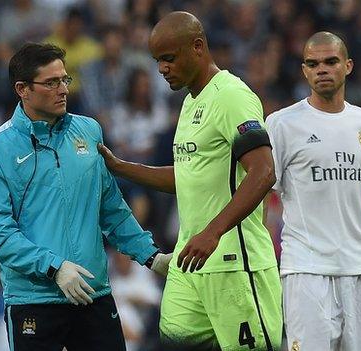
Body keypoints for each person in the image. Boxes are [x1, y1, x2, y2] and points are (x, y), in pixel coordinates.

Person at [98, 11, 282, 351]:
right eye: (157, 61)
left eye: (168, 58)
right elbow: (188, 177)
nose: (161, 69)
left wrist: (212, 232)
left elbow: (263, 171)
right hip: (190, 263)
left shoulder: (231, 96)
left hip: (234, 265)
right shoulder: (189, 103)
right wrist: (121, 167)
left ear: (197, 47)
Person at [0, 43, 171, 351]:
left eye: (65, 79)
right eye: (51, 82)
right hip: (33, 300)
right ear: (22, 89)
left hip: (94, 294)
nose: (62, 89)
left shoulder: (89, 131)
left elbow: (110, 207)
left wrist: (150, 255)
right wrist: (54, 267)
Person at [265, 31, 361, 350]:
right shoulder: (281, 124)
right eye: (313, 63)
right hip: (306, 269)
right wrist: (263, 265)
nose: (322, 69)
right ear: (304, 70)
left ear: (347, 66)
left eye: (330, 61)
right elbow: (264, 199)